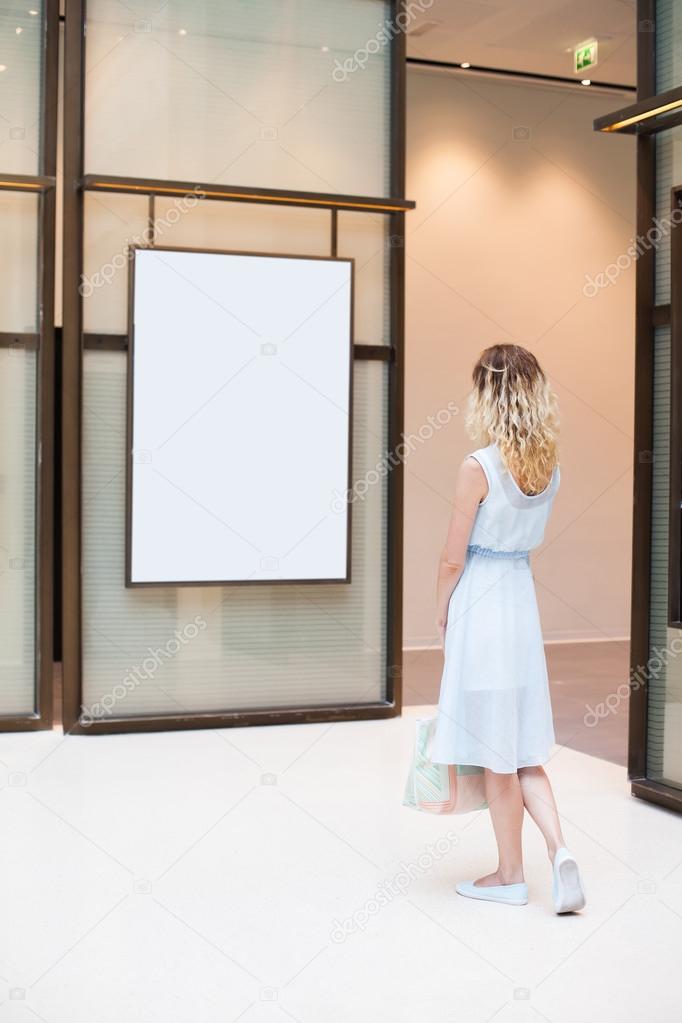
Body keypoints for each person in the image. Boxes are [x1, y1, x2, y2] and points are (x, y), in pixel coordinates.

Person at [431, 343, 585, 913]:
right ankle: (560, 849)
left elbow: (452, 558)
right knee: (524, 751)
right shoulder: (550, 471)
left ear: (488, 395)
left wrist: (442, 608)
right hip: (521, 604)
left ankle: (510, 875)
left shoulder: (479, 466)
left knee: (497, 753)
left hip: (483, 607)